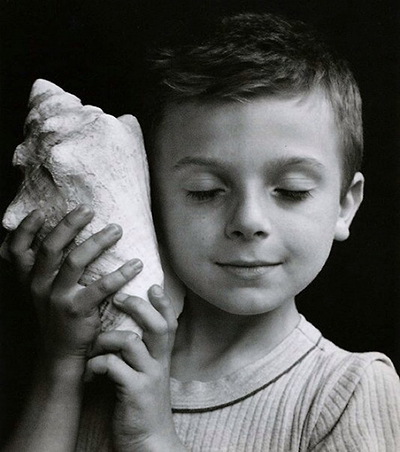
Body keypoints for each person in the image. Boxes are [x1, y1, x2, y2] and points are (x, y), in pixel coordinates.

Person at [3, 12, 400, 452]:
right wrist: (61, 362)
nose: (249, 221)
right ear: (151, 199)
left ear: (345, 205)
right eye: (205, 191)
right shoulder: (100, 358)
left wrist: (154, 437)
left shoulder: (347, 392)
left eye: (291, 191)